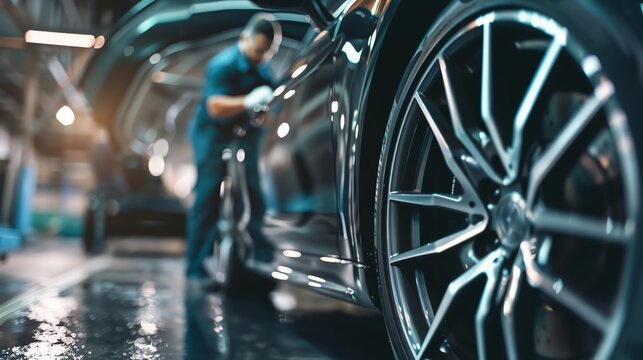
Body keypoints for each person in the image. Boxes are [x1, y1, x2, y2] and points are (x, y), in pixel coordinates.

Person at [186, 14, 277, 286]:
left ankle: (255, 263)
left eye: (265, 53)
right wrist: (249, 100)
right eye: (257, 50)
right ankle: (196, 267)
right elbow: (214, 106)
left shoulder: (263, 71)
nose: (260, 57)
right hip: (210, 134)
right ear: (244, 39)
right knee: (209, 195)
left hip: (241, 136)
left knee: (252, 190)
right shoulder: (222, 65)